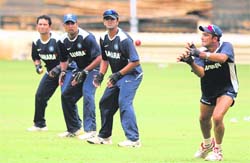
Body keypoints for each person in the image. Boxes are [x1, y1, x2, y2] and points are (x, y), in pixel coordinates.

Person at [177, 24, 239, 161]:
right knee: (203, 119)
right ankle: (207, 144)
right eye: (202, 34)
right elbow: (201, 73)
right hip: (209, 89)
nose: (202, 37)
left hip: (227, 88)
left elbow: (222, 58)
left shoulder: (226, 46)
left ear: (215, 38)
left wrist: (200, 54)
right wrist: (190, 62)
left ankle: (218, 150)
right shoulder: (200, 51)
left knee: (217, 117)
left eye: (206, 35)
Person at [86, 9, 143, 147]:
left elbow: (135, 61)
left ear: (117, 21)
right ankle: (105, 137)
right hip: (118, 76)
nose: (109, 21)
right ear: (104, 21)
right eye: (107, 19)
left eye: (112, 19)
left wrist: (118, 75)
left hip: (132, 75)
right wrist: (100, 75)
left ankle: (134, 140)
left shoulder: (124, 40)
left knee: (124, 103)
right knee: (105, 103)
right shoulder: (104, 38)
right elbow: (105, 59)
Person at [57, 14, 101, 139]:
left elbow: (99, 58)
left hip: (94, 69)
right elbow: (64, 59)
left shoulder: (87, 37)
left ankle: (91, 130)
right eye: (67, 24)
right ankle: (74, 129)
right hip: (80, 69)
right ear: (64, 26)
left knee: (87, 93)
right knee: (66, 96)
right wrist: (63, 72)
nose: (70, 26)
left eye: (73, 23)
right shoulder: (62, 40)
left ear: (77, 24)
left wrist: (86, 71)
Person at [28, 15, 74, 131]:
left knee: (66, 97)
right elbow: (35, 57)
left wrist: (58, 69)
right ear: (37, 26)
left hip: (66, 72)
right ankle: (39, 124)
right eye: (40, 24)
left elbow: (68, 58)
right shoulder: (36, 41)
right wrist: (38, 66)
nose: (42, 27)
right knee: (40, 96)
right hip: (50, 73)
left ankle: (74, 127)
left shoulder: (57, 40)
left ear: (50, 27)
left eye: (45, 24)